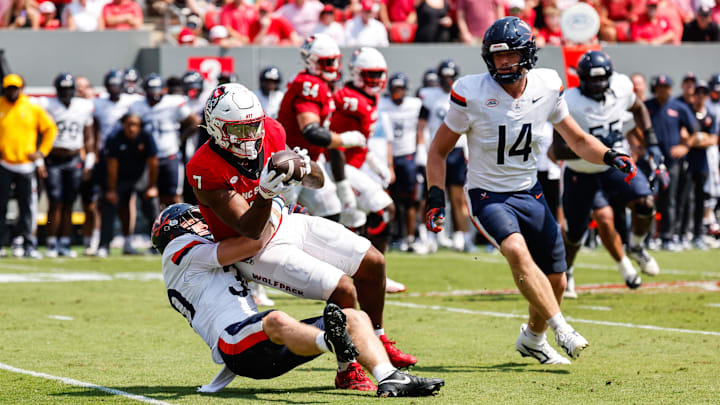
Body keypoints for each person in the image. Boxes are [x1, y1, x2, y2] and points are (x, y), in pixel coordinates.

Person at [426, 17, 636, 365]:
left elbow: (578, 139)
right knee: (516, 251)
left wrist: (610, 155)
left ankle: (534, 338)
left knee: (556, 275)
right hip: (488, 194)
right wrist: (436, 197)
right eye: (497, 57)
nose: (504, 63)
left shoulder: (548, 84)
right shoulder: (472, 92)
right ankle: (562, 328)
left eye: (511, 55)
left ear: (528, 54)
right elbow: (437, 150)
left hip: (529, 191)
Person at [187, 83, 417, 391]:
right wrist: (266, 192)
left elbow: (317, 181)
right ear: (217, 129)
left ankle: (377, 336)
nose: (250, 136)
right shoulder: (204, 167)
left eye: (253, 126)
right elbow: (249, 228)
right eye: (240, 131)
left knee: (373, 262)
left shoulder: (271, 130)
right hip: (252, 249)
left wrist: (302, 167)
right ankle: (347, 368)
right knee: (343, 290)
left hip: (284, 220)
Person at [151, 203, 444, 397]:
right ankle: (332, 340)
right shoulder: (179, 252)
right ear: (174, 229)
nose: (204, 223)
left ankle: (389, 376)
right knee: (276, 318)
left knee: (355, 317)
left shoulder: (208, 257)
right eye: (195, 221)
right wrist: (274, 204)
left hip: (267, 345)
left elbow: (271, 258)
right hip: (235, 344)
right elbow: (254, 242)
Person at [551, 50, 662, 298]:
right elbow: (557, 150)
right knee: (575, 232)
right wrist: (597, 149)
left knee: (645, 203)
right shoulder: (569, 101)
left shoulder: (622, 86)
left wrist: (652, 141)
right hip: (581, 171)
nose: (597, 85)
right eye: (591, 80)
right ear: (581, 78)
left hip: (615, 166)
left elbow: (639, 107)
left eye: (601, 79)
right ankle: (567, 271)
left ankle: (635, 246)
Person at [279, 34, 368, 223]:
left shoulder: (321, 85)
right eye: (327, 62)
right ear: (310, 61)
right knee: (281, 220)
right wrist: (346, 139)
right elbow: (312, 132)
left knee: (331, 210)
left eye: (334, 61)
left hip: (307, 159)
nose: (333, 67)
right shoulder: (309, 84)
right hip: (288, 161)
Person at [329, 47, 395, 251]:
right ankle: (376, 273)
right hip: (337, 166)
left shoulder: (370, 98)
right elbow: (336, 144)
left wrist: (375, 164)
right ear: (356, 74)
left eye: (379, 75)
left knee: (354, 226)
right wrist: (341, 183)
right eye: (371, 75)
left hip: (351, 166)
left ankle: (367, 273)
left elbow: (360, 141)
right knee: (384, 211)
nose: (377, 80)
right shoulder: (348, 100)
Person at [418, 59, 473, 253]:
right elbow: (421, 124)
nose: (447, 81)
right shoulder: (429, 96)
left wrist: (468, 150)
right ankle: (428, 237)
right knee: (433, 196)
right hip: (437, 150)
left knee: (458, 198)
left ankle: (463, 238)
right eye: (444, 77)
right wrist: (420, 148)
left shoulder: (461, 94)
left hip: (457, 150)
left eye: (451, 77)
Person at [0, 74, 57, 258]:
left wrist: (42, 152)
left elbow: (50, 129)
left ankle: (28, 244)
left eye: (15, 88)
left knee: (28, 208)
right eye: (9, 88)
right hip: (4, 163)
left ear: (21, 88)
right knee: (1, 206)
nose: (12, 91)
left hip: (26, 165)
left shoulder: (32, 107)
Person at [38, 73, 95, 258]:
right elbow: (38, 131)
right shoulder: (47, 106)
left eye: (69, 89)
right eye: (63, 90)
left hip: (73, 159)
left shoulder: (83, 106)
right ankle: (52, 242)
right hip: (53, 158)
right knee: (55, 202)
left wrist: (91, 157)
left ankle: (64, 242)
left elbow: (88, 133)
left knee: (69, 202)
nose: (66, 93)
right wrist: (40, 158)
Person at [645, 74, 700, 250]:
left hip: (672, 162)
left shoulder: (679, 107)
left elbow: (695, 132)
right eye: (660, 87)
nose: (663, 90)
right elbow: (636, 129)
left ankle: (667, 237)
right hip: (651, 160)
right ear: (655, 88)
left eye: (666, 87)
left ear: (670, 89)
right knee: (649, 198)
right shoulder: (648, 106)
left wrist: (685, 147)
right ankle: (648, 237)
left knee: (670, 199)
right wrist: (640, 147)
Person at [129, 73, 200, 207]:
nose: (154, 94)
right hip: (147, 158)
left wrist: (180, 138)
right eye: (151, 91)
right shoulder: (137, 106)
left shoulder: (172, 103)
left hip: (170, 155)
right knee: (149, 196)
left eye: (157, 90)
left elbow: (194, 122)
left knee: (173, 196)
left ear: (164, 90)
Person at [98, 113, 159, 257]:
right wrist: (111, 190)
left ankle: (157, 244)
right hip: (119, 177)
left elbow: (153, 163)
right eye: (128, 124)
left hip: (140, 176)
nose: (131, 128)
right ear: (123, 125)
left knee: (151, 205)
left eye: (135, 125)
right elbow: (112, 167)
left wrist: (152, 187)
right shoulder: (114, 138)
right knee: (110, 204)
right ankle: (104, 245)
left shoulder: (146, 137)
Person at [378, 72, 425, 253]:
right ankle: (391, 237)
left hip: (407, 156)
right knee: (388, 200)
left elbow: (425, 123)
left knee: (410, 201)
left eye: (401, 88)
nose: (398, 92)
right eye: (395, 88)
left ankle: (410, 238)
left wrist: (421, 150)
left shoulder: (416, 105)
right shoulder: (383, 104)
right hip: (386, 157)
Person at [679, 80, 718, 249]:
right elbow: (684, 137)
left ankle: (697, 234)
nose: (701, 96)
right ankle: (680, 234)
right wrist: (699, 138)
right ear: (693, 95)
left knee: (701, 199)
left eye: (704, 93)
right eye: (698, 93)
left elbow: (713, 140)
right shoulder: (687, 112)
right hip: (687, 161)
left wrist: (697, 139)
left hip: (703, 163)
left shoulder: (710, 114)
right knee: (684, 199)